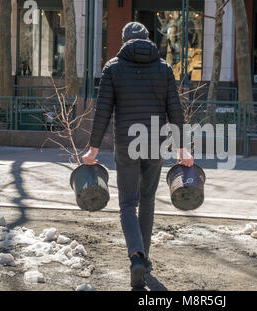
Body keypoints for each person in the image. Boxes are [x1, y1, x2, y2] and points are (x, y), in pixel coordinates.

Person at [82, 22, 194, 291]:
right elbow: (175, 110)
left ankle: (136, 258)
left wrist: (93, 149)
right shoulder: (164, 68)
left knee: (127, 204)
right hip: (155, 144)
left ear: (124, 40)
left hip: (126, 144)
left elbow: (102, 113)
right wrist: (182, 148)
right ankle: (146, 259)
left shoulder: (113, 67)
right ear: (147, 39)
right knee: (147, 200)